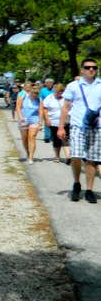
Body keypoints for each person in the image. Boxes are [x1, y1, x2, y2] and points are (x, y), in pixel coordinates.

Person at [58, 58, 101, 203]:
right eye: (88, 67)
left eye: (94, 67)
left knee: (91, 160)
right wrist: (61, 126)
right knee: (75, 156)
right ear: (82, 70)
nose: (91, 70)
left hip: (96, 127)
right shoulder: (73, 86)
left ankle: (89, 190)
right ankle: (76, 183)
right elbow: (65, 107)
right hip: (77, 126)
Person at [41, 83, 70, 163]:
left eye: (61, 92)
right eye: (58, 92)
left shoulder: (66, 98)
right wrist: (47, 119)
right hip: (53, 122)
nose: (59, 93)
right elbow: (45, 109)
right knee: (57, 140)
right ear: (54, 91)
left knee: (65, 137)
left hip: (65, 121)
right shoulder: (49, 98)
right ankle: (57, 156)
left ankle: (68, 156)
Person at [17, 85, 42, 164]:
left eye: (37, 94)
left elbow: (41, 111)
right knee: (24, 139)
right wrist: (20, 116)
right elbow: (18, 107)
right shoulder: (23, 96)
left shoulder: (39, 99)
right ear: (30, 92)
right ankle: (27, 152)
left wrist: (40, 122)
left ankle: (31, 157)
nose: (35, 95)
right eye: (34, 93)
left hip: (34, 119)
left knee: (32, 137)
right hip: (24, 119)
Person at [40, 78, 55, 143]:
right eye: (48, 83)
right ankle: (47, 137)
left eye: (51, 83)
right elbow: (41, 100)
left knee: (54, 123)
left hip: (54, 108)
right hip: (45, 108)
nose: (49, 84)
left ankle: (52, 136)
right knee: (47, 122)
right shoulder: (43, 90)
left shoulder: (54, 90)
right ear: (45, 84)